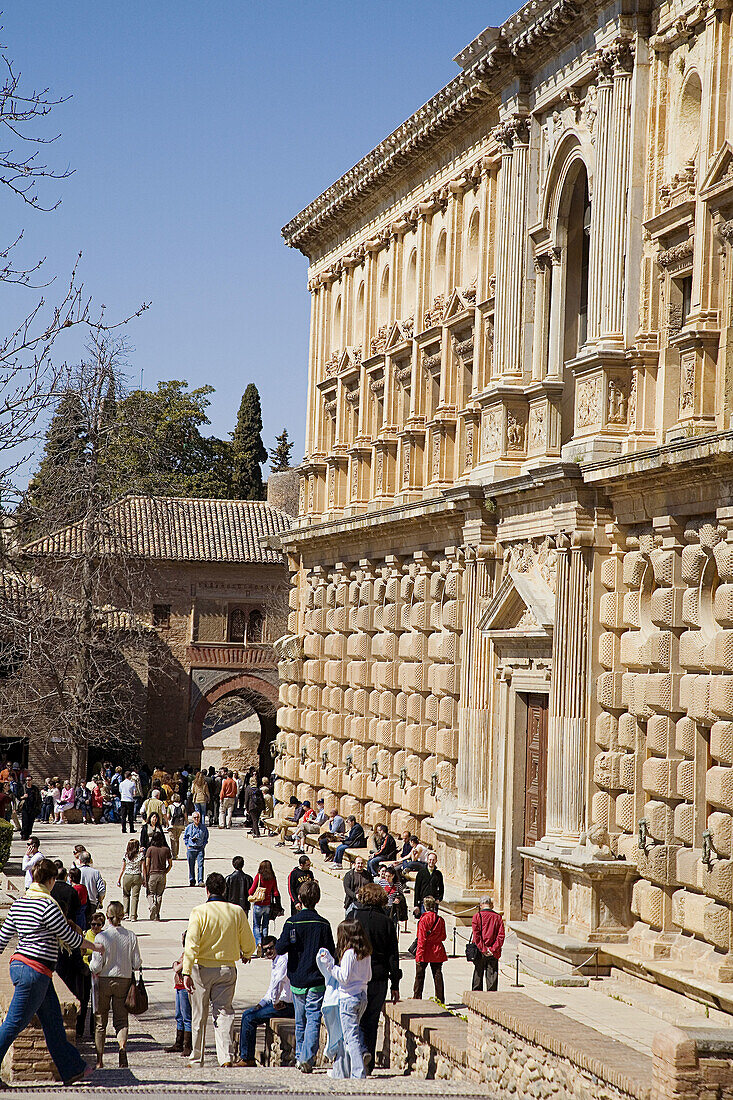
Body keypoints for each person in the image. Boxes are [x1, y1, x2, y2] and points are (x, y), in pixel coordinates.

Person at [0, 857, 96, 1086]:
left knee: (54, 1023)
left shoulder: (21, 903)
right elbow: (68, 937)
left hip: (27, 969)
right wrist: (93, 945)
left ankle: (72, 1069)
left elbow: (2, 938)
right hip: (35, 972)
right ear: (51, 880)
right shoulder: (47, 905)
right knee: (13, 1024)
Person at [182, 871, 256, 1067]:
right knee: (224, 1013)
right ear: (225, 889)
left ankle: (197, 1057)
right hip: (226, 969)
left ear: (206, 891)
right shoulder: (236, 911)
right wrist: (247, 953)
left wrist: (186, 971)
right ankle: (226, 1057)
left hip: (201, 968)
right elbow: (249, 943)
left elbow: (191, 944)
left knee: (199, 1013)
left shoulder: (199, 912)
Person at [275, 879, 335, 1074]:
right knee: (313, 1018)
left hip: (298, 979)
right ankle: (306, 1056)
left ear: (299, 898)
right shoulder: (323, 924)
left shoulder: (292, 922)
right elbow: (330, 952)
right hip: (317, 979)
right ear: (317, 899)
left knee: (300, 1019)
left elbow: (280, 947)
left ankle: (301, 1055)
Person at [352, 882, 401, 1070]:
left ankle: (359, 1054)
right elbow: (393, 956)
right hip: (379, 976)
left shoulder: (354, 917)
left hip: (357, 975)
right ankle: (368, 1061)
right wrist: (395, 984)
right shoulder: (387, 923)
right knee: (371, 1019)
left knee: (355, 1017)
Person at [89, 900, 142, 1069]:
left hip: (104, 979)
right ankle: (122, 1048)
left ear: (107, 917)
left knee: (100, 1021)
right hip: (124, 980)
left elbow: (96, 965)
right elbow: (136, 963)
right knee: (121, 1019)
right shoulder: (131, 935)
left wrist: (91, 965)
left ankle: (99, 1059)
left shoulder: (102, 937)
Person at [317, 920, 372, 1079]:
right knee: (352, 1035)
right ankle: (345, 1070)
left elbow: (344, 977)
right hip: (362, 996)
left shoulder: (349, 953)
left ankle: (357, 1073)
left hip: (349, 998)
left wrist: (330, 966)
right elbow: (369, 976)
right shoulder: (366, 953)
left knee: (351, 1038)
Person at [233, 935, 293, 1067]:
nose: (268, 952)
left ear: (276, 946)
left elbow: (277, 985)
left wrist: (275, 1001)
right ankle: (245, 1055)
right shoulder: (275, 962)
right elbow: (271, 990)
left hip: (285, 1005)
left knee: (250, 1019)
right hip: (278, 1003)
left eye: (271, 948)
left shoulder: (283, 960)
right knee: (247, 1013)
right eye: (265, 950)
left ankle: (247, 1058)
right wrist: (260, 1005)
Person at [412, 896, 446, 1003]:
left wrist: (419, 955)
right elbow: (444, 936)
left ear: (425, 906)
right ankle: (440, 999)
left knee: (419, 976)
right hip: (437, 949)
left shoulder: (423, 919)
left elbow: (421, 938)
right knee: (437, 974)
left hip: (425, 950)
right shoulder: (440, 919)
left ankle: (417, 997)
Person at [471, 897, 505, 992]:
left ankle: (476, 999)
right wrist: (493, 949)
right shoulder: (498, 917)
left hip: (479, 951)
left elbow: (476, 936)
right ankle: (491, 1000)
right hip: (493, 952)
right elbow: (501, 936)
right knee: (492, 978)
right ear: (491, 904)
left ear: (481, 905)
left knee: (478, 975)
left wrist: (484, 949)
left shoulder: (477, 916)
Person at [167, 932, 192, 1056]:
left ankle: (187, 1045)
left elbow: (177, 967)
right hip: (178, 986)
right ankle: (178, 1042)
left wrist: (176, 964)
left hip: (184, 987)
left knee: (186, 1016)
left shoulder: (190, 954)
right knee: (179, 1015)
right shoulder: (185, 953)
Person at [248, 859, 280, 948]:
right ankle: (265, 944)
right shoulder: (272, 877)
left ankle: (258, 942)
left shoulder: (259, 877)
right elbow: (276, 892)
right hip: (267, 905)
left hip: (258, 904)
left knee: (256, 926)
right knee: (265, 926)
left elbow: (251, 890)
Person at [144, 831, 172, 920]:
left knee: (150, 893)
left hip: (152, 874)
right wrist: (165, 871)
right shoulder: (166, 849)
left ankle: (152, 905)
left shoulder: (150, 849)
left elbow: (147, 864)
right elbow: (170, 864)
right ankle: (157, 915)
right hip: (162, 874)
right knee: (159, 895)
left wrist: (146, 875)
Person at [117, 839, 145, 922]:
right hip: (137, 875)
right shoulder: (141, 855)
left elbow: (123, 868)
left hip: (127, 875)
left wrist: (119, 879)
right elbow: (143, 868)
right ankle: (133, 916)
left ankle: (125, 913)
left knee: (126, 895)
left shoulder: (126, 855)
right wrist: (144, 879)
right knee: (135, 896)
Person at [183, 810, 209, 887]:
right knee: (191, 865)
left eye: (198, 817)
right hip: (191, 848)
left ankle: (200, 880)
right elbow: (185, 837)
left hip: (200, 848)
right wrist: (188, 845)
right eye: (195, 818)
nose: (196, 819)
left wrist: (203, 844)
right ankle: (192, 880)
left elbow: (206, 837)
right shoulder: (189, 827)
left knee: (200, 865)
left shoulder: (203, 828)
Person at [413, 852, 444, 917]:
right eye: (430, 859)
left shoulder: (438, 874)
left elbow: (441, 887)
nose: (431, 861)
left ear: (436, 861)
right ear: (427, 860)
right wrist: (416, 904)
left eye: (433, 860)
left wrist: (439, 899)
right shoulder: (421, 873)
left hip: (433, 902)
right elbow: (417, 888)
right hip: (423, 902)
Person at [79, 852, 106, 926]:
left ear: (80, 860)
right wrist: (100, 900)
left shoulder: (77, 871)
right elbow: (101, 889)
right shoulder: (95, 873)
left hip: (79, 902)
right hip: (92, 901)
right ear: (90, 860)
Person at [168, 793, 188, 858]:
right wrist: (187, 823)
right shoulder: (183, 806)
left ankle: (174, 854)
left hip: (172, 825)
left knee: (172, 839)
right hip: (180, 825)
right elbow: (185, 815)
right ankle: (176, 853)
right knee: (177, 839)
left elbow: (168, 816)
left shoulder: (170, 806)